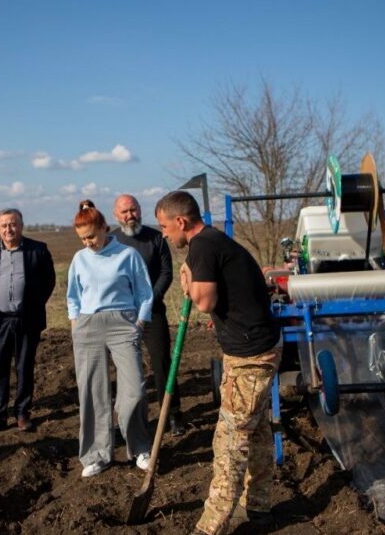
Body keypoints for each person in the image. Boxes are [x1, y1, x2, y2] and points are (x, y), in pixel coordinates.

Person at [154, 190, 280, 535]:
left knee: (230, 440)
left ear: (181, 221)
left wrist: (187, 282)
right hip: (259, 347)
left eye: (164, 226)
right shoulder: (213, 241)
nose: (164, 234)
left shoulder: (203, 246)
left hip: (250, 356)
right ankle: (258, 507)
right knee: (257, 432)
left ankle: (211, 526)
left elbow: (205, 302)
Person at [67, 200, 154, 478]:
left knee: (135, 389)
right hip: (88, 325)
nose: (88, 243)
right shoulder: (79, 259)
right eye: (83, 239)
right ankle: (97, 455)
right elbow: (73, 296)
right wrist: (75, 323)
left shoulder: (127, 255)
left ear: (104, 227)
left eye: (91, 236)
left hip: (122, 324)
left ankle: (139, 447)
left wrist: (139, 322)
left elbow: (145, 292)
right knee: (92, 391)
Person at [0, 208, 56, 435]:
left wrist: (33, 304)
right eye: (4, 225)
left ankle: (22, 414)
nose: (8, 229)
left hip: (27, 319)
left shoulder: (38, 250)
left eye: (13, 224)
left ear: (21, 225)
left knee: (24, 367)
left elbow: (48, 281)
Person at [110, 194, 184, 436]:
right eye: (124, 212)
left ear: (140, 210)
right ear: (116, 215)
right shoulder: (111, 241)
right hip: (122, 315)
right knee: (124, 367)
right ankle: (128, 418)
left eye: (133, 210)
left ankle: (172, 414)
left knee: (162, 363)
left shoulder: (156, 238)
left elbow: (166, 272)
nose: (130, 215)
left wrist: (149, 299)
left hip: (153, 311)